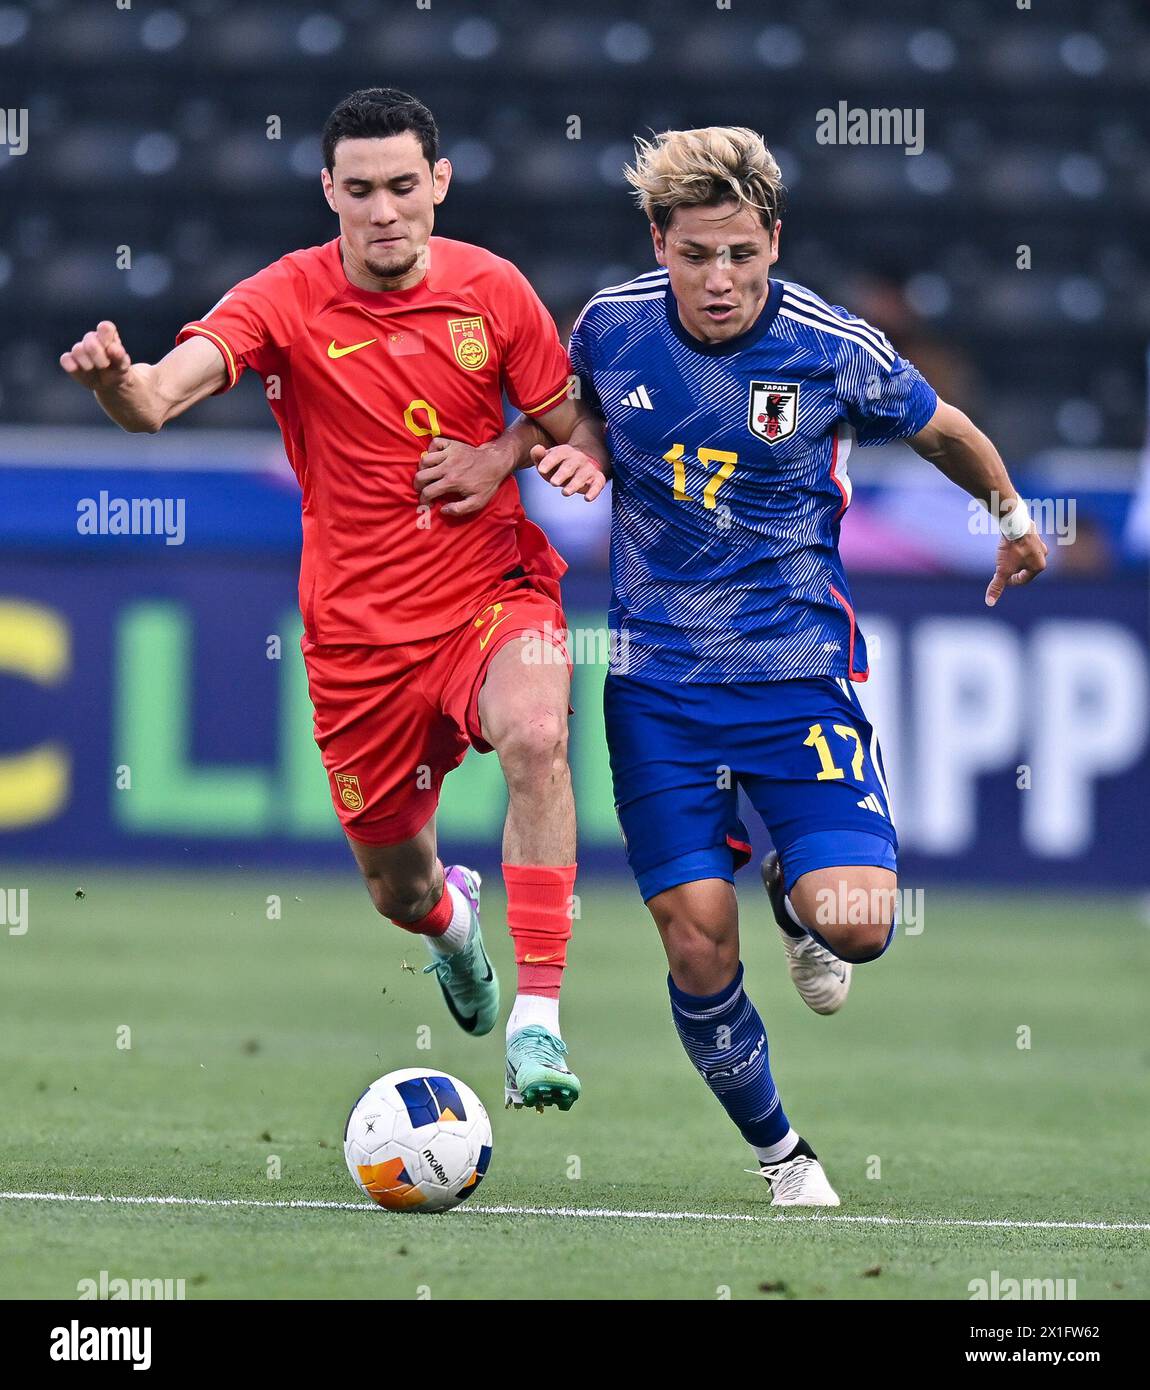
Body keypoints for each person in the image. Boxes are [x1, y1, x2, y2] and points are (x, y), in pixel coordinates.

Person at [59, 87, 605, 1125]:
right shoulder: (284, 299)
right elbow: (156, 402)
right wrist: (112, 382)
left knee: (538, 733)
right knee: (401, 891)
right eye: (360, 191)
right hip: (358, 641)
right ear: (329, 193)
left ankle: (539, 1015)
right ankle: (455, 929)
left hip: (492, 593)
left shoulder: (495, 291)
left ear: (438, 184)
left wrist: (503, 454)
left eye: (404, 186)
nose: (385, 210)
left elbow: (566, 423)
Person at [530, 126, 1048, 1204]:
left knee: (857, 924)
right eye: (694, 255)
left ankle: (791, 891)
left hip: (796, 674)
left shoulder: (830, 345)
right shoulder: (610, 325)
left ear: (773, 239)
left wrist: (1005, 512)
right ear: (658, 241)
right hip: (657, 689)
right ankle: (782, 1155)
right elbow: (572, 406)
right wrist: (576, 442)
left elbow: (938, 425)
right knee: (694, 944)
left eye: (741, 256)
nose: (719, 281)